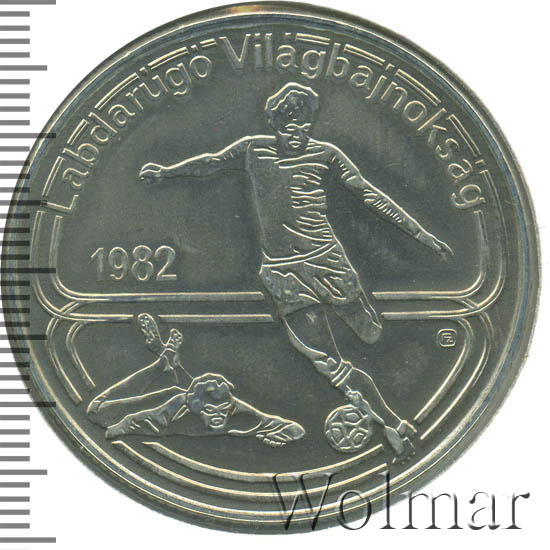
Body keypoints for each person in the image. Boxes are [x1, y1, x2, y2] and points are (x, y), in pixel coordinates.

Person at [139, 82, 452, 461]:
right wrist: (166, 173)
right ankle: (390, 422)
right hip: (283, 274)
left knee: (370, 334)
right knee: (327, 361)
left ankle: (378, 386)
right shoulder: (253, 149)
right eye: (289, 124)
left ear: (310, 124)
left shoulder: (327, 154)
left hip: (328, 262)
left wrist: (421, 235)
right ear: (274, 124)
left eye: (303, 123)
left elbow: (369, 195)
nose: (296, 131)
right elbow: (210, 162)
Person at [87, 313, 305, 447]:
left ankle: (168, 359)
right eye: (210, 410)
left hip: (185, 395)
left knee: (180, 387)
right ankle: (162, 363)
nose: (219, 416)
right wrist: (113, 432)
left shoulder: (238, 411)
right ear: (195, 408)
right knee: (97, 413)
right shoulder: (173, 413)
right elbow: (130, 422)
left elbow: (292, 427)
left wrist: (286, 435)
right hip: (165, 405)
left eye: (223, 409)